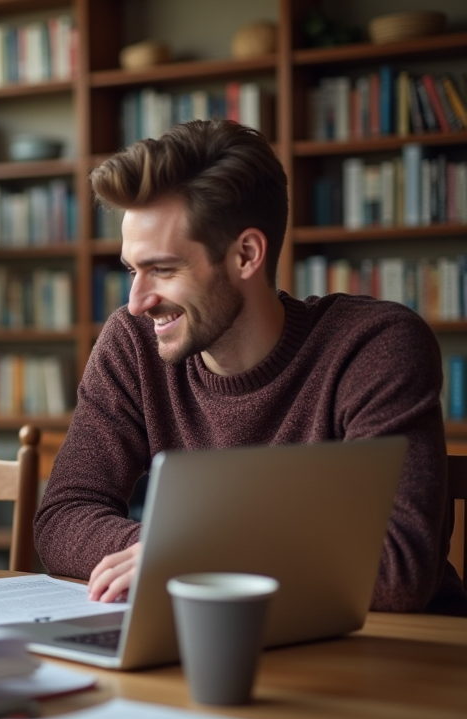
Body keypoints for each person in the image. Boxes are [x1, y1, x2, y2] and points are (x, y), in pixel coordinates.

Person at [34, 119, 467, 616]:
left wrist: (190, 556)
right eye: (133, 270)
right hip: (220, 635)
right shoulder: (133, 345)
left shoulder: (373, 347)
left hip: (396, 654)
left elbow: (398, 570)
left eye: (164, 269)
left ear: (246, 255)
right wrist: (173, 553)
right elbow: (63, 516)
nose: (136, 302)